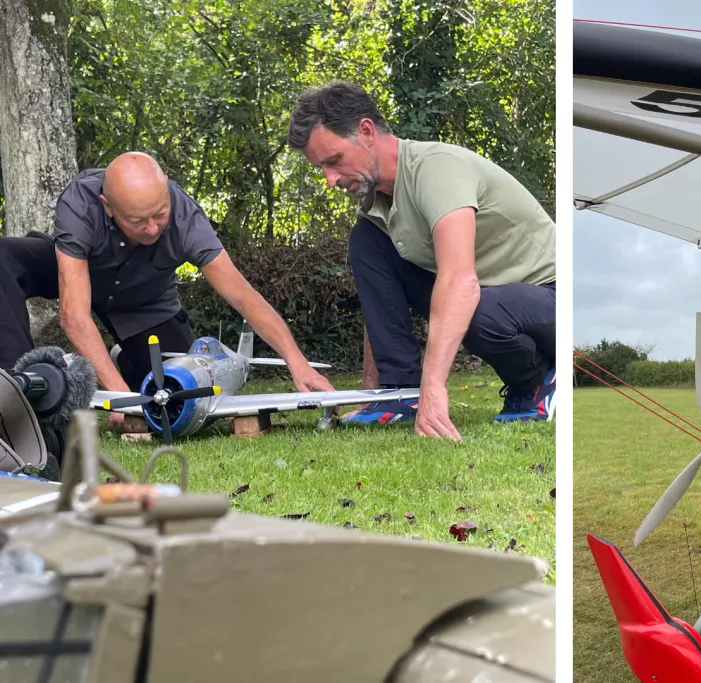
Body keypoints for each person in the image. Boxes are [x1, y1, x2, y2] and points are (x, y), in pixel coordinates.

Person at [287, 81, 556, 440]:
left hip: (553, 297)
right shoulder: (377, 203)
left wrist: (434, 387)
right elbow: (379, 299)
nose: (330, 179)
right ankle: (400, 392)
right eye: (321, 168)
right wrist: (374, 392)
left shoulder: (436, 170)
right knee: (366, 240)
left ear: (366, 132)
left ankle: (535, 382)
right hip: (496, 295)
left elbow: (460, 282)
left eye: (333, 161)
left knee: (473, 307)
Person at [0, 152, 335, 431]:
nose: (152, 229)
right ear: (107, 206)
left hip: (144, 302)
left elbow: (243, 296)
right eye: (136, 221)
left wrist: (297, 363)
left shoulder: (187, 219)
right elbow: (73, 315)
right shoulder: (81, 202)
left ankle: (125, 361)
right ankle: (20, 392)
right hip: (77, 274)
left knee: (177, 396)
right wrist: (120, 397)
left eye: (160, 215)